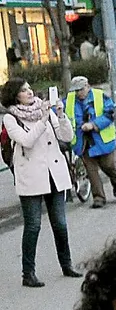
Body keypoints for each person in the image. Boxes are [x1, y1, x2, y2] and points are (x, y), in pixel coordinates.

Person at [2, 79, 80, 288]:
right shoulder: (10, 118)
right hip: (31, 176)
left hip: (54, 173)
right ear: (14, 95)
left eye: (29, 89)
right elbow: (26, 140)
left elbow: (67, 136)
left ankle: (67, 264)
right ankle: (28, 273)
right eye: (23, 90)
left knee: (61, 224)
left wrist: (61, 115)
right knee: (33, 225)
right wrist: (43, 119)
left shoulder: (45, 110)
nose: (29, 92)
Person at [65, 75, 116, 209]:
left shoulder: (99, 96)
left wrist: (94, 124)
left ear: (87, 86)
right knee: (91, 171)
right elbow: (61, 112)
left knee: (108, 165)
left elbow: (110, 113)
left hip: (102, 141)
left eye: (81, 89)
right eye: (76, 90)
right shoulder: (69, 100)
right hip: (83, 142)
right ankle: (99, 198)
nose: (79, 93)